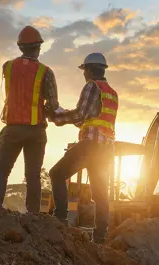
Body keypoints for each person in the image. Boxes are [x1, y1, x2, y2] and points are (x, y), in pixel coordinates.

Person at [0, 25, 65, 213]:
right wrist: (63, 116)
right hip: (36, 130)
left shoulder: (7, 67)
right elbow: (54, 105)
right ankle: (33, 214)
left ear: (20, 47)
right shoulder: (45, 72)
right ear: (38, 48)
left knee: (1, 170)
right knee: (33, 175)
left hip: (12, 128)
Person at [49, 52, 118, 244]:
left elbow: (80, 115)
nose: (84, 74)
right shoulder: (111, 92)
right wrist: (66, 117)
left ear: (88, 70)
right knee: (100, 191)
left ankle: (60, 219)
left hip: (91, 145)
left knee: (56, 174)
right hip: (106, 148)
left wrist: (57, 117)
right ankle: (100, 235)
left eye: (84, 70)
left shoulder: (91, 86)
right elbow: (90, 120)